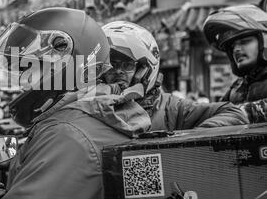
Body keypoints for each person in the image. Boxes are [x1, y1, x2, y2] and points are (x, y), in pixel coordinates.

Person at [0, 7, 152, 199]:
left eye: (30, 69)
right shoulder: (87, 118)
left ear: (67, 67)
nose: (23, 81)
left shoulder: (69, 135)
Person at [99, 21, 248, 131]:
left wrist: (195, 137)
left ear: (144, 71)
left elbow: (233, 113)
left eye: (127, 65)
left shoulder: (172, 109)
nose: (117, 71)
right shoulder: (90, 107)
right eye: (111, 65)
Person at [203, 4, 267, 123]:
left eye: (244, 42)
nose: (236, 50)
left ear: (264, 41)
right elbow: (214, 111)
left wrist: (237, 113)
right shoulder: (236, 88)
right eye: (232, 46)